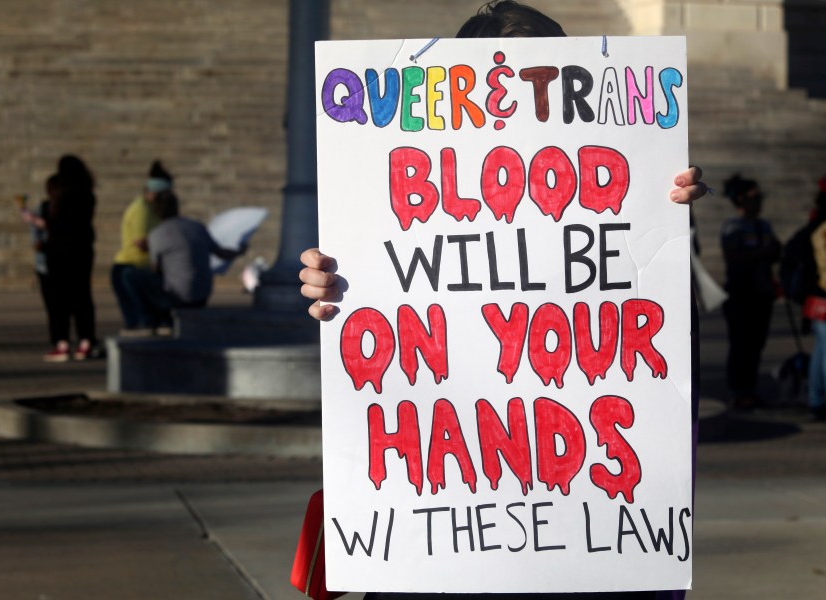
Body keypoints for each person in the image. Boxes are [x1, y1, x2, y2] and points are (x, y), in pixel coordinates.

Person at [299, 2, 711, 599]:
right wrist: (331, 290)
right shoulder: (389, 194)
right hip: (437, 564)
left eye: (535, 79)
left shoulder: (621, 202)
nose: (514, 105)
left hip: (587, 563)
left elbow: (661, 365)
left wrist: (666, 234)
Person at [120, 189, 245, 330]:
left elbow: (156, 271)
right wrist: (240, 250)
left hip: (177, 298)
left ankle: (148, 321)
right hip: (202, 295)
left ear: (156, 211)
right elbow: (221, 253)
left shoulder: (157, 234)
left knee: (128, 275)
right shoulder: (196, 226)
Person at [26, 155, 99, 362]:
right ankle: (86, 342)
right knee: (82, 297)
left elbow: (57, 225)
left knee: (57, 301)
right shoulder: (88, 195)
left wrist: (36, 221)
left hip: (57, 253)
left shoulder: (59, 197)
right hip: (82, 252)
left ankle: (62, 343)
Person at [720, 174, 782, 409]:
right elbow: (734, 256)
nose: (759, 202)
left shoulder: (764, 225)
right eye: (754, 198)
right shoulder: (732, 226)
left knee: (756, 344)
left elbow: (776, 250)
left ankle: (750, 389)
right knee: (740, 344)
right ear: (741, 200)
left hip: (761, 293)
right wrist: (762, 254)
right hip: (740, 293)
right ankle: (738, 390)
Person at [110, 160, 169, 333]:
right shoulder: (141, 210)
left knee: (148, 321)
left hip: (142, 268)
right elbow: (141, 243)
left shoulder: (155, 210)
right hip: (129, 269)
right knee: (138, 322)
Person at [790, 176, 826, 421]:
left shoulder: (813, 227)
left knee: (820, 351)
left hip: (816, 296)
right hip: (822, 295)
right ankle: (817, 399)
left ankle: (816, 398)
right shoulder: (819, 230)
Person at [20, 175, 62, 350]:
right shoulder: (44, 208)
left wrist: (35, 222)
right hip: (46, 262)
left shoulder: (67, 209)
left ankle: (64, 340)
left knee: (61, 305)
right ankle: (59, 341)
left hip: (61, 260)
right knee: (53, 305)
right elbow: (35, 239)